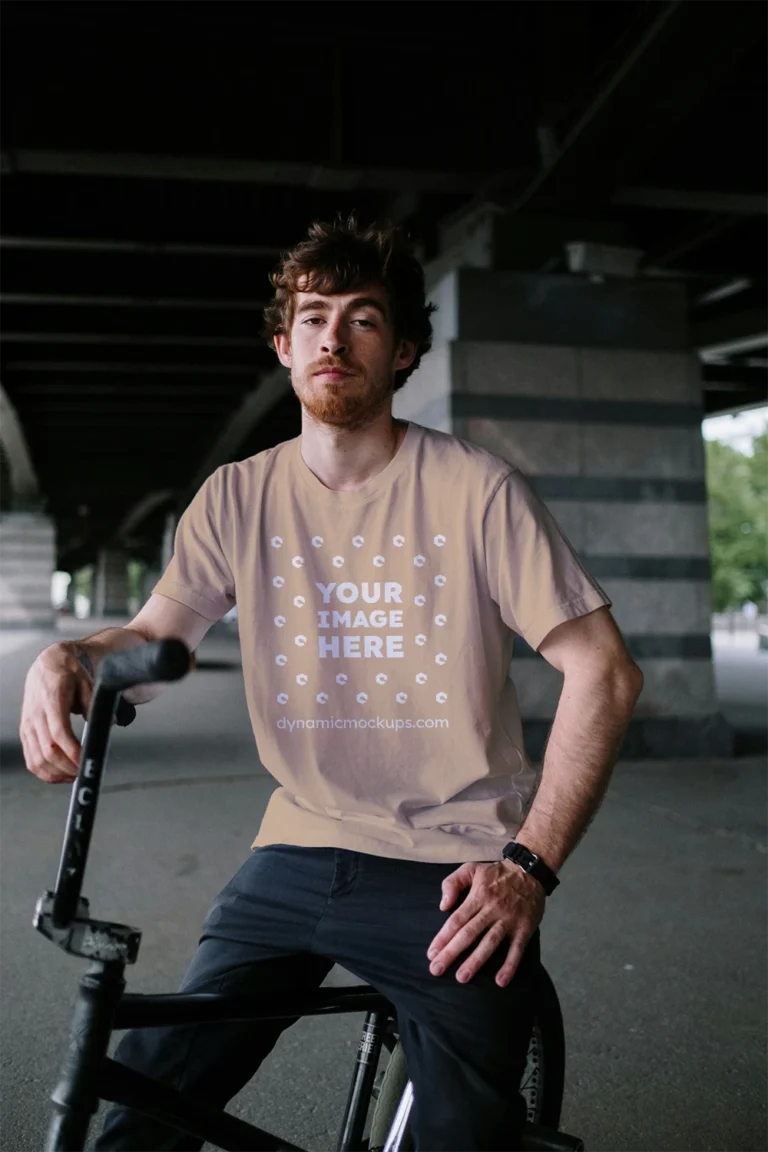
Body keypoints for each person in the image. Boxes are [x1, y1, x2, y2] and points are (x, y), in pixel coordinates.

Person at [21, 215, 644, 1152]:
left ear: (402, 352)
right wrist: (66, 659)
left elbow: (605, 671)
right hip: (299, 845)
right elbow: (157, 641)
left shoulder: (477, 490)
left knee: (462, 1135)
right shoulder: (238, 495)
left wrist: (528, 869)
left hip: (455, 863)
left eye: (362, 319)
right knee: (144, 1097)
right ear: (283, 345)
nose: (333, 337)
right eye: (313, 317)